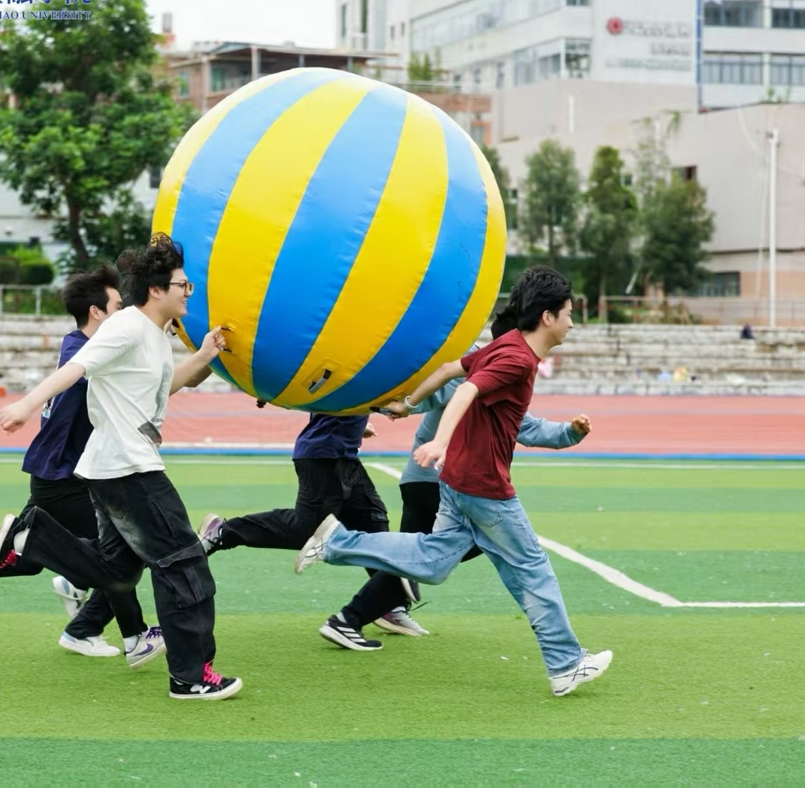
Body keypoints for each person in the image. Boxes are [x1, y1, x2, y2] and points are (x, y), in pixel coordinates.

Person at [295, 266, 613, 697]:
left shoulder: (505, 348)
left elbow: (449, 369)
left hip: (457, 485)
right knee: (533, 570)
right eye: (569, 313)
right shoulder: (517, 359)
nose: (572, 323)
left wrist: (409, 405)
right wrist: (440, 441)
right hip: (484, 488)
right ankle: (566, 664)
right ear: (547, 317)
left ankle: (334, 542)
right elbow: (464, 390)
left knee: (433, 562)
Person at [0, 233, 242, 701]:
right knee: (183, 561)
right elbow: (77, 367)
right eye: (183, 285)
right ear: (156, 290)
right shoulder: (126, 326)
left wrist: (207, 354)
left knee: (120, 571)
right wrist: (26, 405)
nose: (189, 293)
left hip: (117, 464)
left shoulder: (155, 335)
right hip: (128, 466)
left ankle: (36, 537)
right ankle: (189, 676)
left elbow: (163, 390)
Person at [0, 266, 164, 666]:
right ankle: (123, 630)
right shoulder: (84, 358)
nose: (125, 312)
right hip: (63, 479)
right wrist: (26, 407)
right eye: (118, 306)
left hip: (61, 476)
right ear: (96, 312)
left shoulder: (83, 347)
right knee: (126, 549)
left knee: (28, 560)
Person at [317, 333, 591, 651]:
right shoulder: (483, 361)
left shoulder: (495, 366)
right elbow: (444, 387)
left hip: (436, 479)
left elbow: (524, 425)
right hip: (437, 481)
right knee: (437, 553)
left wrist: (569, 432)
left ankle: (377, 607)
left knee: (428, 555)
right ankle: (353, 600)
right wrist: (401, 405)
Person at [195, 413, 421, 643]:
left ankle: (387, 603)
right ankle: (223, 532)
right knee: (308, 530)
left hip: (342, 453)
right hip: (325, 455)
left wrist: (356, 423)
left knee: (372, 521)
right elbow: (334, 396)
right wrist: (398, 403)